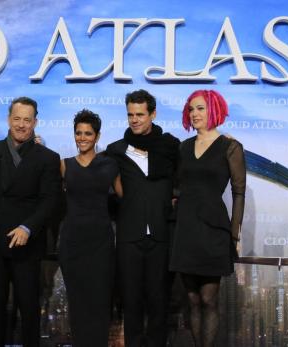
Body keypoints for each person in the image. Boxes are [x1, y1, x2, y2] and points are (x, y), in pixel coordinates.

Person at [0, 96, 61, 347]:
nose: (21, 125)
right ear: (8, 119)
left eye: (27, 120)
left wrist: (28, 226)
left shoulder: (48, 157)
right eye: (17, 118)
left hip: (28, 243)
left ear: (35, 122)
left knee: (28, 309)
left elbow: (51, 201)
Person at [169, 90, 246, 347]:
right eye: (191, 109)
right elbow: (176, 186)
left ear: (214, 109)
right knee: (191, 300)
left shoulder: (230, 146)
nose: (195, 114)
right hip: (186, 229)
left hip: (214, 229)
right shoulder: (183, 147)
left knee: (209, 300)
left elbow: (238, 192)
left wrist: (234, 235)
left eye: (200, 108)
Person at [106, 89, 180, 347]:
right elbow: (90, 171)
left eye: (140, 114)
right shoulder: (116, 150)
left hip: (161, 237)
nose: (134, 119)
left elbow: (190, 172)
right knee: (132, 305)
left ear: (153, 114)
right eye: (130, 114)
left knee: (160, 306)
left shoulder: (171, 146)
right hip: (129, 237)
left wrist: (221, 139)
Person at [59, 109, 121, 346]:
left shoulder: (110, 165)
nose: (82, 137)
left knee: (99, 303)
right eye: (78, 133)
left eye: (88, 133)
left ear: (97, 136)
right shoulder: (63, 166)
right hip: (72, 243)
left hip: (101, 244)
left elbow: (126, 196)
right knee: (77, 303)